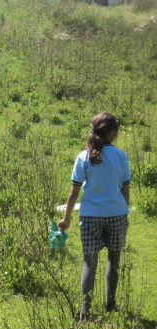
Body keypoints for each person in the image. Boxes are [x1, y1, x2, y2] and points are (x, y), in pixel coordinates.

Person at [58, 112, 131, 318]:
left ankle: (85, 312)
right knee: (114, 260)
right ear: (112, 132)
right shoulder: (121, 156)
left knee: (90, 262)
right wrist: (124, 215)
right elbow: (125, 190)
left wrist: (67, 218)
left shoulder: (84, 156)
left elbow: (74, 191)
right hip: (116, 214)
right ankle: (110, 304)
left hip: (90, 215)